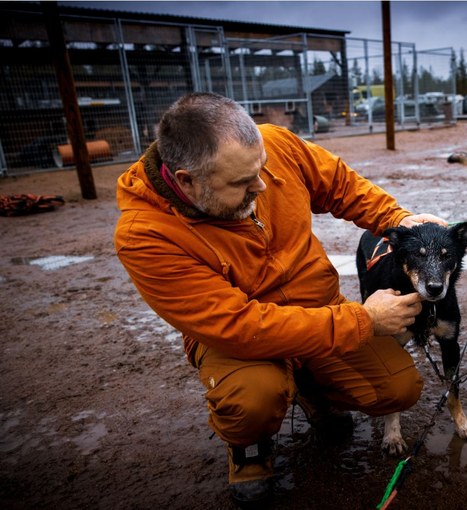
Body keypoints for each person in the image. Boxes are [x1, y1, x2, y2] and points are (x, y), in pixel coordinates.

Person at [113, 92, 446, 507]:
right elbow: (238, 327)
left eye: (261, 169)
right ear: (186, 181)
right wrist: (363, 321)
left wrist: (395, 218)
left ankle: (309, 386)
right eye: (241, 183)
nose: (262, 185)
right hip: (240, 345)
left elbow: (340, 184)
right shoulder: (146, 235)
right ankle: (249, 448)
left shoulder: (276, 146)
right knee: (254, 398)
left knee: (399, 388)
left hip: (316, 308)